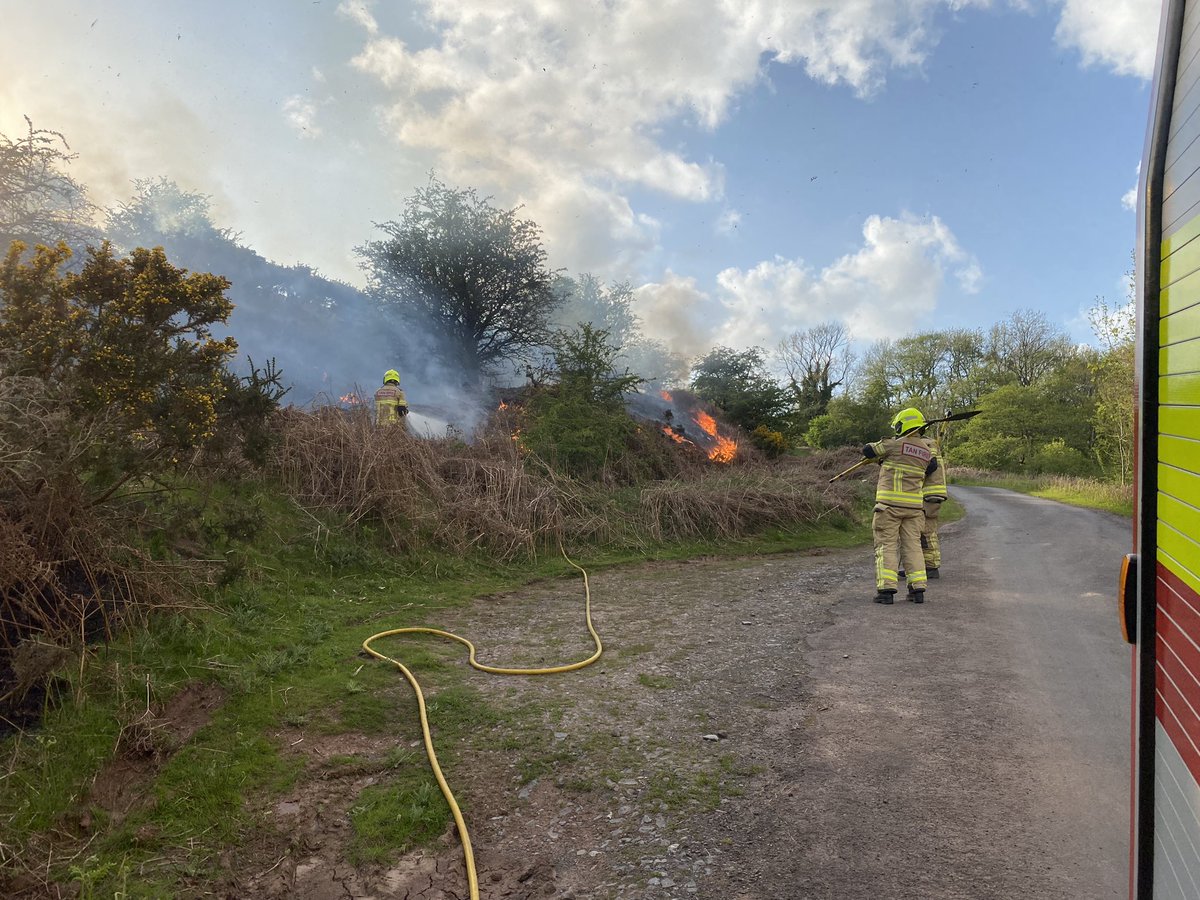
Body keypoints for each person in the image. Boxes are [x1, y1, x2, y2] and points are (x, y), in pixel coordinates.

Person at [863, 407, 938, 604]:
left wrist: (881, 455)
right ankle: (917, 589)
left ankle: (886, 591)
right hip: (914, 509)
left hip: (889, 507)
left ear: (901, 425)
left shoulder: (893, 445)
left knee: (886, 545)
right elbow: (931, 467)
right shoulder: (926, 451)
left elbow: (868, 450)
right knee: (913, 546)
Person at [919, 425, 948, 578]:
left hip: (928, 494)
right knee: (926, 531)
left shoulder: (925, 444)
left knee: (926, 532)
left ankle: (930, 567)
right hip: (933, 493)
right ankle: (926, 565)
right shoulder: (932, 443)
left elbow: (930, 465)